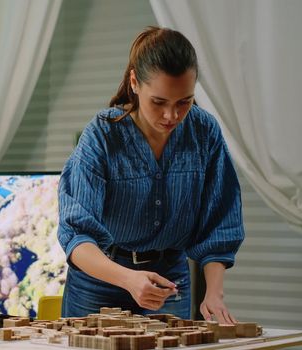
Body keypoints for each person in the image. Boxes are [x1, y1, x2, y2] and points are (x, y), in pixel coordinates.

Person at [57, 26, 244, 324]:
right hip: (99, 280)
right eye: (159, 102)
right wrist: (128, 280)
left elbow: (219, 225)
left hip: (168, 280)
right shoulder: (102, 136)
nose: (172, 116)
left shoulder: (204, 131)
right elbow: (77, 235)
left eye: (184, 101)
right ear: (134, 82)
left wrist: (214, 293)